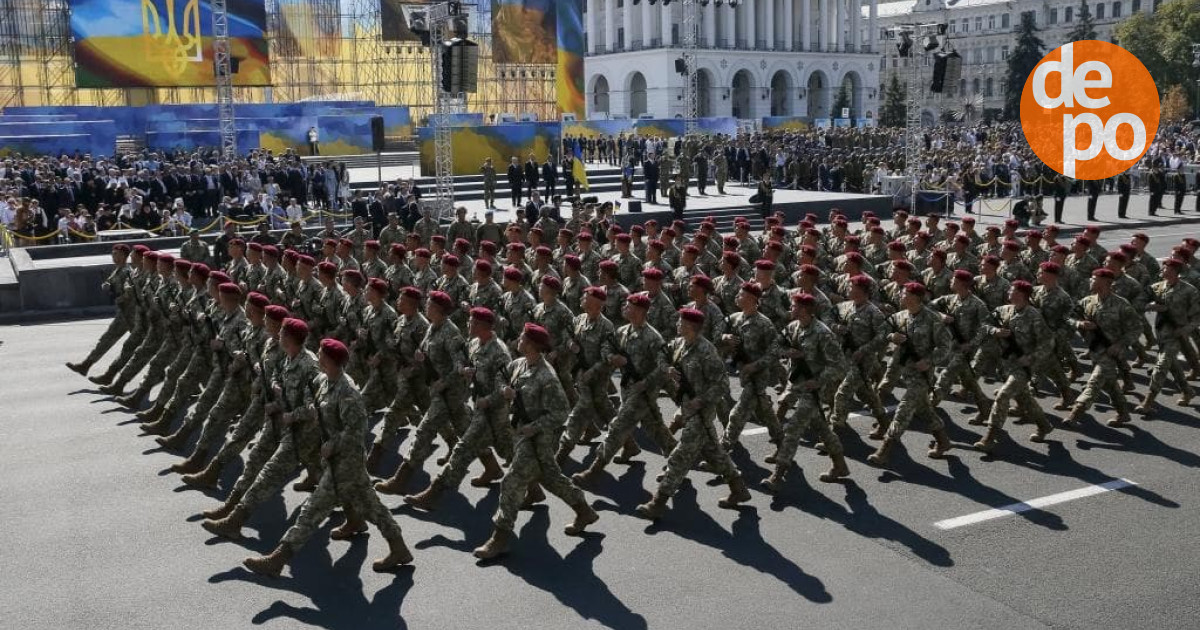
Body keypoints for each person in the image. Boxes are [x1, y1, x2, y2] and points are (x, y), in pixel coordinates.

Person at [242, 338, 413, 577]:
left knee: (312, 509)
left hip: (346, 460)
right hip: (337, 458)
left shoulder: (348, 392)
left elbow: (357, 431)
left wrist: (333, 444)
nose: (317, 357)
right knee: (371, 504)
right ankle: (399, 547)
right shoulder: (323, 382)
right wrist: (295, 414)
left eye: (321, 354)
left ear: (332, 361)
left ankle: (278, 559)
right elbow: (315, 408)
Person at [473, 323, 599, 560]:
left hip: (542, 438)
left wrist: (535, 427)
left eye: (522, 338)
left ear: (532, 344)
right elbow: (502, 377)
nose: (517, 340)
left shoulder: (546, 376)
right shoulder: (519, 365)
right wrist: (504, 391)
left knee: (511, 480)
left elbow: (561, 412)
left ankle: (499, 539)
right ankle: (584, 510)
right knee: (549, 477)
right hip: (522, 434)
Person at [635, 308, 751, 520]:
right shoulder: (678, 344)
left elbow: (723, 383)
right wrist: (667, 368)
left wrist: (702, 399)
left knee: (680, 454)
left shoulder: (706, 351)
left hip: (701, 411)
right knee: (714, 451)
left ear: (692, 326)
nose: (677, 324)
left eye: (681, 322)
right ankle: (739, 488)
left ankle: (658, 502)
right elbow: (662, 352)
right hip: (687, 407)